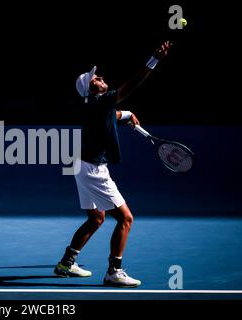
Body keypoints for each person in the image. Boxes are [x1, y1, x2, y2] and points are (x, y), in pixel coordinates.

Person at [54, 41, 171, 287]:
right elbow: (129, 87)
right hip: (93, 169)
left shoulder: (93, 106)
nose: (101, 77)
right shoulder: (101, 102)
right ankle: (114, 271)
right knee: (126, 219)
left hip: (81, 165)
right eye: (96, 78)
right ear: (91, 89)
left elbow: (113, 114)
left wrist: (125, 115)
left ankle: (66, 263)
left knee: (96, 218)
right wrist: (153, 60)